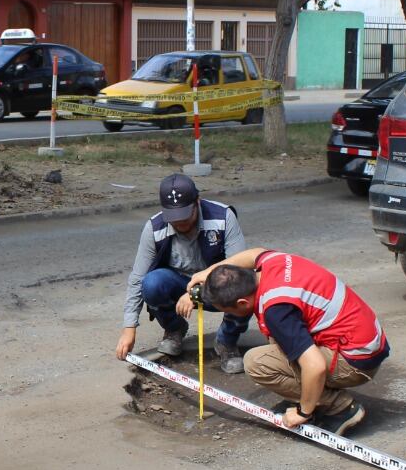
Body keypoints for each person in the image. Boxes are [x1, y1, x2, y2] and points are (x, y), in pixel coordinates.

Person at [194, 248, 390, 436]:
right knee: (277, 337)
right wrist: (208, 272)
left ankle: (339, 407)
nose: (229, 314)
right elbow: (254, 253)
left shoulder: (277, 311)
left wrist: (303, 412)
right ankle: (313, 395)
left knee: (256, 362)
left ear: (242, 303)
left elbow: (315, 366)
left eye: (228, 310)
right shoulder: (273, 263)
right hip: (366, 340)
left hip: (357, 361)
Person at [115, 173, 249, 372]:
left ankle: (226, 341)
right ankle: (174, 328)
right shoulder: (154, 228)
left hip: (218, 287)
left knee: (246, 289)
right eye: (174, 220)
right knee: (151, 283)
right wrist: (129, 328)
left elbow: (239, 272)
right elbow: (137, 279)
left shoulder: (223, 218)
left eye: (185, 217)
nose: (180, 225)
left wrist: (195, 293)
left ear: (197, 201)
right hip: (177, 286)